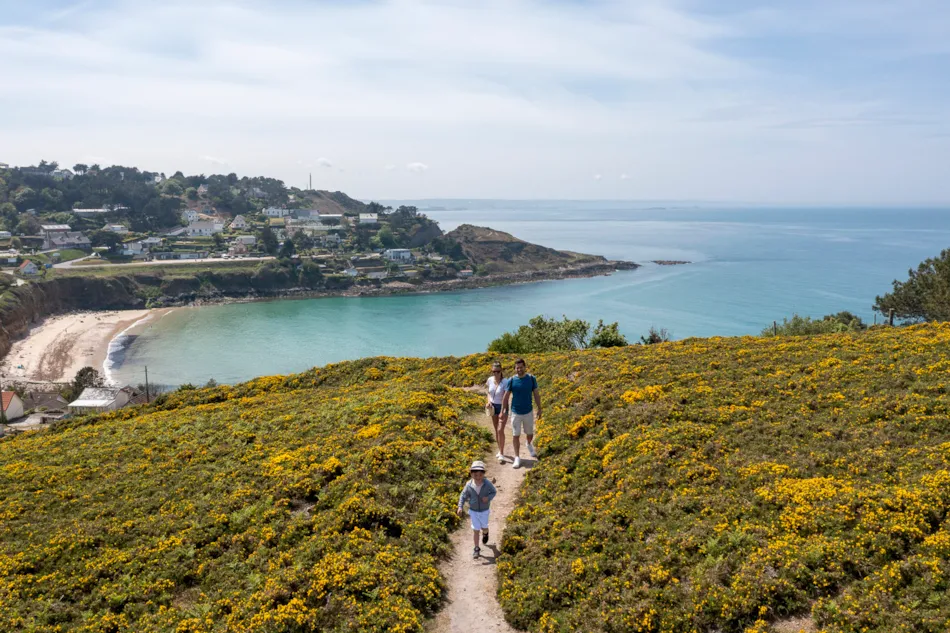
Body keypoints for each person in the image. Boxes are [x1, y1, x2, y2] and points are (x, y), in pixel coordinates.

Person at [501, 358, 541, 469]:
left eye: (521, 367)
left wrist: (540, 408)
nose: (519, 369)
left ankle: (528, 444)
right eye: (517, 368)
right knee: (515, 435)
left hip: (528, 411)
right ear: (515, 368)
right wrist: (503, 411)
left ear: (525, 367)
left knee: (530, 434)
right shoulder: (512, 380)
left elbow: (536, 395)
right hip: (515, 412)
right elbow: (506, 397)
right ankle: (517, 457)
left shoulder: (532, 379)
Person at [457, 460, 497, 559]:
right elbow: (463, 496)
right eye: (475, 475)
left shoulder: (487, 483)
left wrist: (488, 498)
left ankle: (486, 533)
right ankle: (476, 548)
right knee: (475, 529)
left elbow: (493, 492)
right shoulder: (468, 485)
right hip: (474, 510)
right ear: (471, 474)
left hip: (484, 510)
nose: (478, 478)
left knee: (484, 527)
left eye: (480, 475)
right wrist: (460, 506)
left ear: (483, 474)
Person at [485, 361, 508, 463]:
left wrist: (503, 410)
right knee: (496, 429)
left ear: (501, 371)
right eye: (494, 371)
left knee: (500, 430)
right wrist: (489, 401)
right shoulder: (490, 380)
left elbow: (506, 397)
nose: (496, 373)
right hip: (493, 407)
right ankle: (500, 450)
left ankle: (502, 453)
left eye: (498, 371)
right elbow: (488, 393)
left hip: (503, 407)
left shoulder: (505, 382)